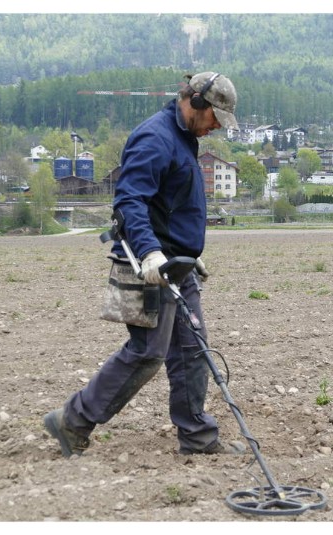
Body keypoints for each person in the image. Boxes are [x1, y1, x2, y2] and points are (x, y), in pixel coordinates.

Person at [44, 72, 243, 457]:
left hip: (176, 265)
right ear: (196, 102)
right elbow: (130, 201)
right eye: (214, 117)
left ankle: (197, 437)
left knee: (192, 350)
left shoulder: (183, 139)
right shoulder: (156, 137)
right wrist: (152, 253)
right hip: (149, 264)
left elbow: (170, 205)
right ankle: (72, 420)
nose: (215, 127)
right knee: (147, 353)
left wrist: (190, 256)